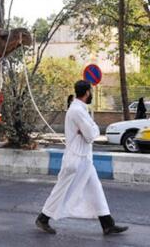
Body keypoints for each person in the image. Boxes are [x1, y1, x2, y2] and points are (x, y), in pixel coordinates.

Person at [35, 80, 128, 235]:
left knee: (96, 189)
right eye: (90, 92)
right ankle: (43, 218)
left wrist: (90, 129)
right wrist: (93, 129)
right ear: (87, 93)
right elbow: (91, 135)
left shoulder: (79, 109)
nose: (91, 94)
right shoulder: (77, 111)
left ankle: (107, 224)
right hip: (76, 160)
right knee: (61, 190)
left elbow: (88, 133)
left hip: (84, 159)